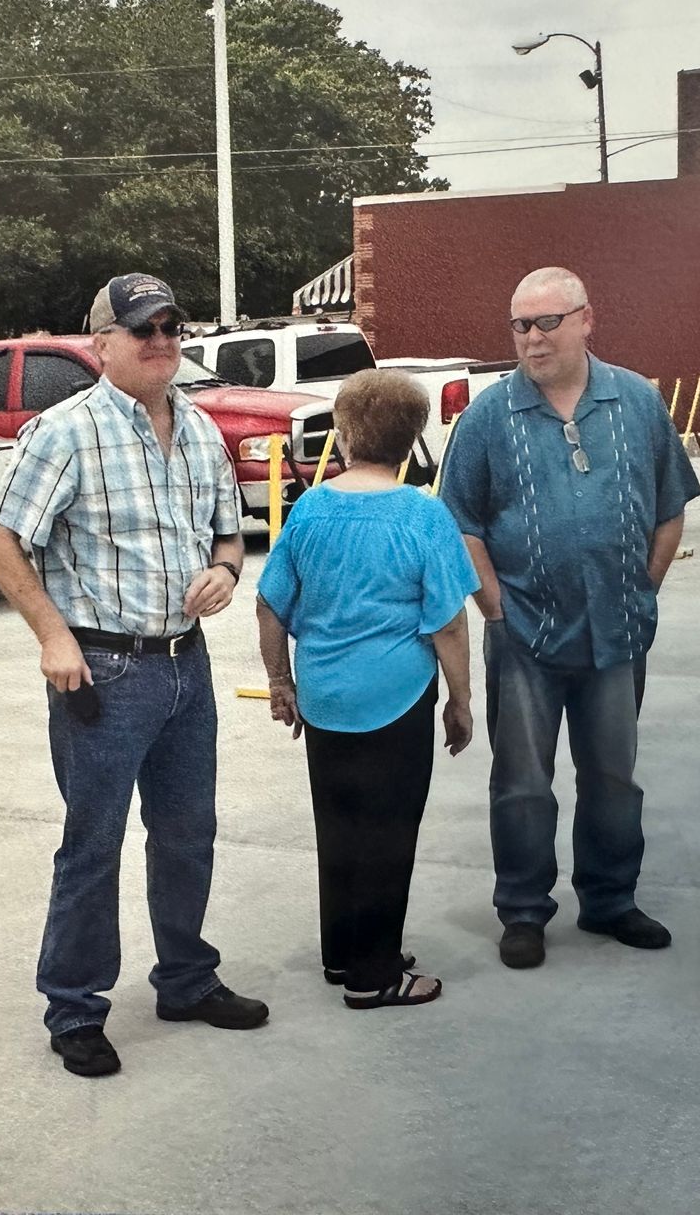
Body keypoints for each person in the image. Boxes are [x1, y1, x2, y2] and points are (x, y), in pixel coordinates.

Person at [0, 272, 268, 1078]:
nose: (162, 341)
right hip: (102, 672)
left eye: (172, 327)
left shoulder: (202, 431)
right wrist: (52, 635)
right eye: (143, 329)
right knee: (93, 845)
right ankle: (74, 1009)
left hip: (186, 666)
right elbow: (0, 540)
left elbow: (228, 534)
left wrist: (225, 570)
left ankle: (186, 980)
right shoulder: (64, 432)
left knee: (186, 835)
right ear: (100, 343)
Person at [438, 267, 700, 971]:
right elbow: (459, 522)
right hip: (526, 634)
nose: (532, 338)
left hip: (617, 633)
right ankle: (523, 911)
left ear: (588, 319)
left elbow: (670, 508)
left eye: (547, 322)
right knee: (523, 781)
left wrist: (640, 590)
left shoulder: (636, 402)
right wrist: (494, 608)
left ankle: (612, 901)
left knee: (614, 776)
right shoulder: (489, 418)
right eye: (520, 325)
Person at [254, 369, 479, 1009]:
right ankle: (375, 975)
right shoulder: (424, 515)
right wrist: (460, 702)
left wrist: (280, 681)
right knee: (387, 835)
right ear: (413, 439)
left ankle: (344, 951)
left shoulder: (312, 508)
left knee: (341, 826)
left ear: (344, 434)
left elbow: (270, 606)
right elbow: (448, 623)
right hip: (397, 700)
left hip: (324, 698)